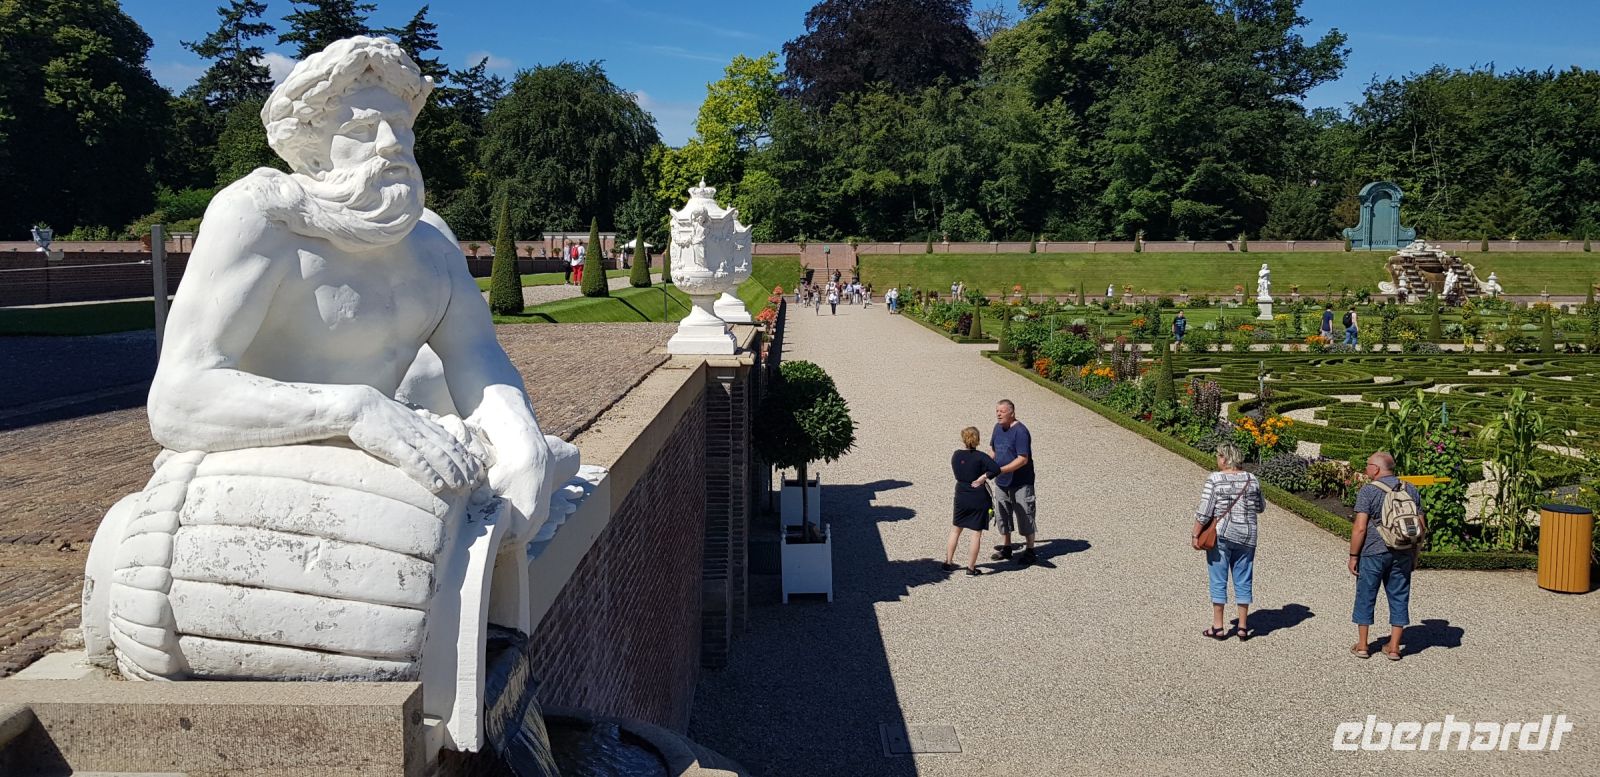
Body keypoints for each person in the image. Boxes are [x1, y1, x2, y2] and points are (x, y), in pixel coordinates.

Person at [1350, 452, 1425, 660]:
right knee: (1399, 596)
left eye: (1367, 465)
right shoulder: (1410, 488)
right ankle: (1394, 647)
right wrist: (1414, 554)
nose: (1366, 469)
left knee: (1366, 595)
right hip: (1402, 551)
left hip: (1373, 551)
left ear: (1375, 469)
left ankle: (1363, 645)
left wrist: (1353, 555)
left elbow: (1360, 528)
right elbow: (1421, 526)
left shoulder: (1368, 491)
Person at [1193, 443, 1265, 639]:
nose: (1217, 460)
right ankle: (1242, 626)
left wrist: (1195, 534)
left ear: (1225, 459)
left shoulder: (1215, 479)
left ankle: (1218, 626)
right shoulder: (1252, 479)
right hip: (1248, 535)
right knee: (1244, 578)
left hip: (1222, 534)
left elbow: (1205, 510)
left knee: (1219, 578)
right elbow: (1260, 507)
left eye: (1218, 456)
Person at [946, 427, 1002, 576]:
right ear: (977, 440)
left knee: (955, 529)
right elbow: (996, 469)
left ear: (963, 439)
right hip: (978, 496)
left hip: (961, 494)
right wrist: (984, 476)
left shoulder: (956, 455)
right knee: (976, 534)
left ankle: (948, 562)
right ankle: (971, 568)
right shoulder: (981, 457)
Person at [989, 399, 1037, 565]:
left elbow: (1022, 459)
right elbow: (993, 450)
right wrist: (985, 465)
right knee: (1002, 514)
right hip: (1001, 481)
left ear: (1012, 413)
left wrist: (1002, 469)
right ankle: (1007, 546)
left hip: (1021, 482)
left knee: (1025, 514)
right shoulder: (997, 428)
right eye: (997, 411)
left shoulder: (1021, 432)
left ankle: (1030, 549)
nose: (998, 414)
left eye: (1002, 411)